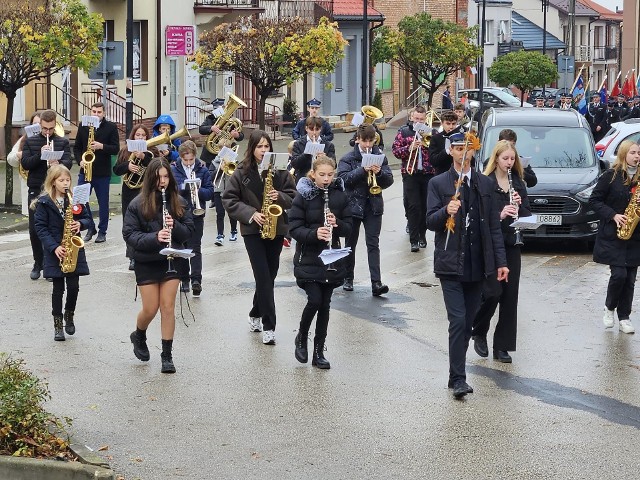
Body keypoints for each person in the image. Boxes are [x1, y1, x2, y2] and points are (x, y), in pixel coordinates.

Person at [426, 132, 509, 398]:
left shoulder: (484, 184)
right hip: (450, 262)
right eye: (458, 148)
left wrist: (500, 262)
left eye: (467, 148)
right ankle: (459, 378)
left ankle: (455, 374)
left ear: (473, 151)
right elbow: (430, 221)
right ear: (450, 151)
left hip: (478, 263)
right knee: (458, 320)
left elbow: (494, 227)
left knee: (468, 320)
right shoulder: (438, 183)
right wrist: (445, 212)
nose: (463, 153)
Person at [222, 130, 297, 345]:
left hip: (276, 228)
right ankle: (269, 326)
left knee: (269, 276)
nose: (264, 150)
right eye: (260, 147)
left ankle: (255, 311)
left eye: (267, 146)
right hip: (253, 230)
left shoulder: (281, 170)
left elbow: (293, 197)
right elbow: (229, 199)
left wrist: (279, 196)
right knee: (263, 277)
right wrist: (251, 214)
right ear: (252, 149)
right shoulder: (241, 172)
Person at [123, 158, 195, 373]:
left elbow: (189, 232)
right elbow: (130, 235)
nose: (162, 182)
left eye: (166, 177)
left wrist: (175, 226)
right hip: (146, 261)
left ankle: (167, 355)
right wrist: (156, 237)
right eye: (158, 178)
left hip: (171, 260)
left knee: (167, 307)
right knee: (150, 308)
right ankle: (139, 334)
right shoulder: (137, 204)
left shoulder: (178, 202)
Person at [289, 153, 352, 369]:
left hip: (331, 257)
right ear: (313, 174)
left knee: (325, 305)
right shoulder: (303, 196)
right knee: (315, 300)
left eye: (330, 175)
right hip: (308, 258)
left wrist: (338, 224)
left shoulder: (339, 196)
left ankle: (318, 351)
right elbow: (294, 228)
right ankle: (301, 336)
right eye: (322, 175)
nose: (326, 179)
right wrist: (314, 233)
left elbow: (350, 226)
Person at [471, 140, 531, 363]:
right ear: (496, 158)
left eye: (512, 159)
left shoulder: (518, 183)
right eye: (505, 158)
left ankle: (502, 346)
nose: (509, 162)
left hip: (512, 243)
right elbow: (479, 217)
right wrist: (500, 214)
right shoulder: (485, 183)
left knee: (509, 296)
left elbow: (526, 215)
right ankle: (478, 330)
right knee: (492, 292)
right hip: (491, 245)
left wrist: (519, 205)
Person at [33, 165, 91, 341]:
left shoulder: (75, 199)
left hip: (73, 250)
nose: (66, 183)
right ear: (53, 182)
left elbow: (88, 219)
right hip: (55, 252)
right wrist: (54, 247)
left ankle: (69, 315)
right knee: (58, 289)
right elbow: (41, 228)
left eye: (67, 180)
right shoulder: (43, 203)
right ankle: (58, 326)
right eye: (61, 180)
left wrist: (81, 224)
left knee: (74, 288)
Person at [588, 140, 640, 335]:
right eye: (633, 152)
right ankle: (609, 308)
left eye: (639, 153)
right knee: (619, 275)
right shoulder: (611, 176)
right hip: (613, 235)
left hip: (635, 236)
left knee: (630, 279)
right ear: (624, 154)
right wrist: (613, 215)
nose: (637, 156)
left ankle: (624, 317)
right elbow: (594, 200)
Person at [338, 124, 394, 296]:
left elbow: (389, 180)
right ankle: (348, 277)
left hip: (373, 206)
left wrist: (379, 174)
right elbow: (343, 180)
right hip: (353, 205)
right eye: (365, 141)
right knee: (350, 244)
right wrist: (362, 170)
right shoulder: (348, 158)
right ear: (358, 140)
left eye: (371, 141)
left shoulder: (380, 157)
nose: (368, 145)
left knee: (373, 243)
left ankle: (376, 282)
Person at [21, 109, 73, 280]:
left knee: (53, 229)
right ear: (40, 125)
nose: (48, 132)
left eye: (51, 129)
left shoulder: (62, 142)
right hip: (36, 189)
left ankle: (51, 266)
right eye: (45, 129)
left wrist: (58, 163)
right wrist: (40, 155)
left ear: (55, 125)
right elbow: (26, 164)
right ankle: (38, 263)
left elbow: (68, 163)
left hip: (55, 191)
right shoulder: (31, 141)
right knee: (35, 229)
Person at [171, 140, 214, 296]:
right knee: (182, 248)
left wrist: (198, 189)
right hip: (180, 213)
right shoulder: (173, 169)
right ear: (181, 158)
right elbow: (171, 190)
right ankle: (184, 279)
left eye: (191, 159)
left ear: (195, 156)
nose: (189, 163)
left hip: (197, 213)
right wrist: (184, 187)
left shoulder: (202, 169)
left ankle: (196, 280)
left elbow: (210, 192)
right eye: (185, 160)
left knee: (195, 247)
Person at [73, 102, 120, 244]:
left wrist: (102, 146)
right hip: (85, 170)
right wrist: (80, 160)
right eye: (94, 111)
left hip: (102, 172)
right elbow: (76, 148)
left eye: (99, 112)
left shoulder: (111, 127)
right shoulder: (83, 125)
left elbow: (115, 148)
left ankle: (102, 231)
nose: (96, 114)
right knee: (80, 201)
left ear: (104, 113)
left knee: (103, 204)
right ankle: (90, 227)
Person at [113, 124, 158, 270]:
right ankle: (132, 256)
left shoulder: (152, 150)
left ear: (147, 137)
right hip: (129, 192)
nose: (140, 137)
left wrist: (144, 157)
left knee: (148, 222)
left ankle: (148, 253)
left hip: (146, 191)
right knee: (131, 225)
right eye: (137, 135)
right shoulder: (126, 150)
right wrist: (128, 166)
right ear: (133, 136)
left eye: (143, 135)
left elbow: (157, 167)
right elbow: (116, 170)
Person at [392, 105, 435, 252]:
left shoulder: (431, 133)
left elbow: (437, 152)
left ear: (425, 120)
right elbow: (396, 151)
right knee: (413, 206)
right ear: (411, 118)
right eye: (416, 119)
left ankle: (422, 235)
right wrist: (409, 148)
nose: (418, 122)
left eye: (421, 119)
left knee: (425, 207)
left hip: (428, 174)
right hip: (410, 173)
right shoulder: (404, 132)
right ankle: (414, 240)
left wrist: (428, 144)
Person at [7, 112, 40, 218]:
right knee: (32, 219)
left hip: (46, 183)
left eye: (39, 124)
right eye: (34, 123)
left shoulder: (51, 139)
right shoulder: (24, 139)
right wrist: (19, 155)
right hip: (28, 184)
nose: (36, 127)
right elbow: (10, 159)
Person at [199, 97, 244, 168]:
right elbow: (201, 129)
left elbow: (241, 136)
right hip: (210, 153)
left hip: (227, 150)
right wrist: (211, 128)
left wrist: (237, 135)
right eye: (216, 109)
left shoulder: (231, 120)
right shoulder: (210, 118)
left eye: (222, 108)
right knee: (211, 173)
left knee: (226, 170)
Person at [290, 116, 337, 185]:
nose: (314, 132)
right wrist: (306, 154)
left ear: (320, 129)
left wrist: (325, 159)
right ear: (306, 128)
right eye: (311, 129)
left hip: (322, 181)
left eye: (317, 129)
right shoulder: (298, 143)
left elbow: (334, 165)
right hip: (304, 180)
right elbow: (294, 164)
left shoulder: (328, 145)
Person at [428, 110, 465, 175]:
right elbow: (433, 161)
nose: (451, 127)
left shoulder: (462, 137)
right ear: (442, 123)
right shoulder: (436, 138)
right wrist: (447, 151)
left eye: (453, 124)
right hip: (442, 174)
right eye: (448, 124)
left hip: (460, 174)